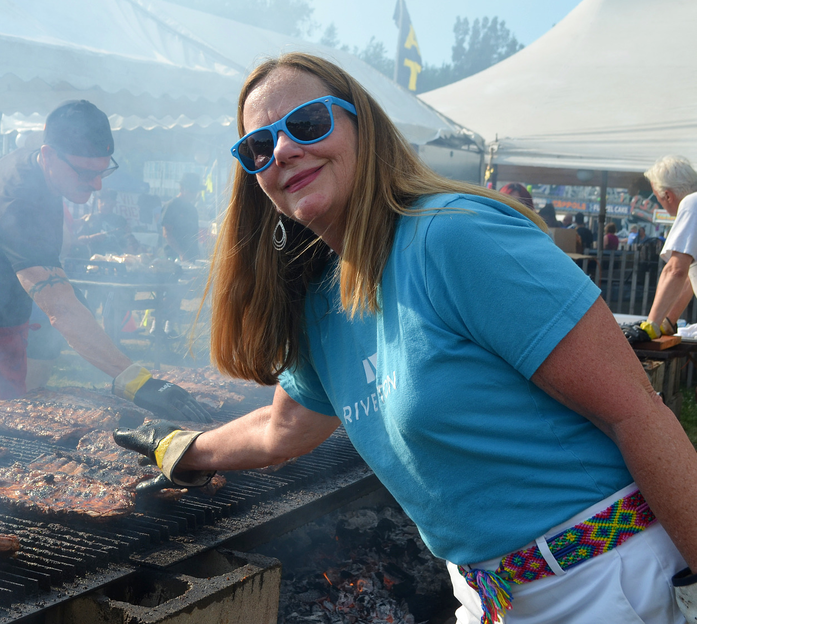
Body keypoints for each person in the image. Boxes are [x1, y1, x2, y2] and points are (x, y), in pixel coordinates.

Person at [114, 53, 695, 623]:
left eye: (307, 123)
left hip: (604, 580)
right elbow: (282, 428)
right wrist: (183, 448)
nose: (284, 149)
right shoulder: (322, 297)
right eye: (259, 147)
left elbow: (638, 414)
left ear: (361, 126)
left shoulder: (455, 237)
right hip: (490, 596)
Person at [0, 99, 210, 423]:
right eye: (85, 173)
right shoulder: (17, 200)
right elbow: (62, 311)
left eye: (103, 171)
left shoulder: (39, 168)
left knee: (3, 442)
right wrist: (137, 381)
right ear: (49, 155)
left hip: (6, 333)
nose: (97, 185)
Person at [626, 156, 697, 343]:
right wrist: (667, 321)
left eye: (658, 199)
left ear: (668, 195)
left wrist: (651, 326)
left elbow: (675, 270)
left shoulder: (693, 204)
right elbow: (691, 277)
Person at [74, 189, 131, 256]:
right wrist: (91, 237)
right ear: (97, 202)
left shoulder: (120, 221)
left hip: (118, 259)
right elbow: (78, 240)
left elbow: (127, 241)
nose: (104, 204)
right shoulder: (90, 219)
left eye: (108, 202)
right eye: (101, 201)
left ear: (114, 203)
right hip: (94, 260)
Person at [161, 173, 202, 261]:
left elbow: (194, 235)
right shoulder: (171, 206)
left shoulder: (193, 210)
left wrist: (197, 253)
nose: (194, 194)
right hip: (174, 256)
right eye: (191, 191)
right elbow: (167, 233)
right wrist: (181, 253)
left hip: (191, 255)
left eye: (195, 191)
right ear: (182, 188)